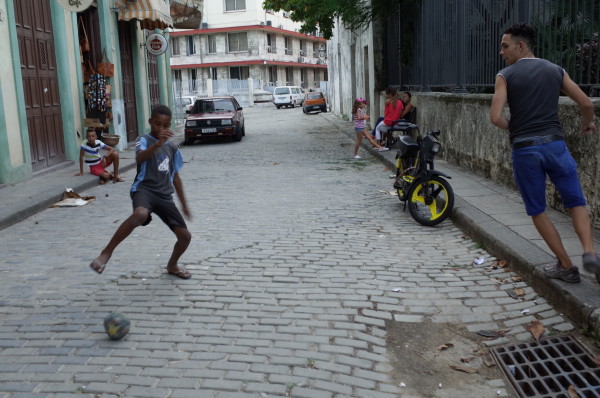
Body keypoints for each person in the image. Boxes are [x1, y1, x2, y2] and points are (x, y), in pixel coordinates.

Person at [490, 23, 600, 283]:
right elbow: (585, 102)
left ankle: (566, 266)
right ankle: (590, 253)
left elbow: (495, 117)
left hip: (526, 151)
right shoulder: (555, 70)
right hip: (555, 145)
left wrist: (514, 128)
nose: (501, 52)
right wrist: (588, 123)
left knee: (538, 210)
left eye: (505, 46)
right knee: (576, 202)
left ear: (520, 46)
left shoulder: (505, 75)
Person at [89, 105, 193, 279]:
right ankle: (107, 252)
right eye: (157, 124)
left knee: (185, 237)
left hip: (164, 196)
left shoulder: (173, 148)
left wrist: (184, 205)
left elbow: (175, 177)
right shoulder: (143, 139)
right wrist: (158, 143)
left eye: (165, 126)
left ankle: (172, 264)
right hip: (144, 189)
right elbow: (139, 157)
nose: (161, 129)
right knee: (140, 213)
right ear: (150, 122)